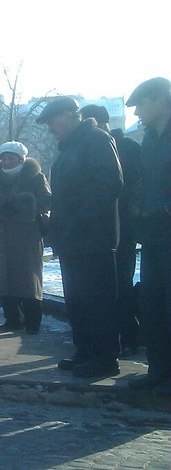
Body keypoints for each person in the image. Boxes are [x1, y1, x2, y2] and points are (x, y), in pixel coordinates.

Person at [36, 96, 123, 378]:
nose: (50, 127)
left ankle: (105, 357)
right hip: (72, 240)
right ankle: (85, 350)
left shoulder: (96, 140)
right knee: (77, 301)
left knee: (98, 301)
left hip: (93, 239)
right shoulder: (69, 148)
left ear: (71, 115)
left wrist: (80, 220)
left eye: (53, 120)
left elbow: (110, 182)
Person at [80, 104, 142, 357]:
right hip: (98, 229)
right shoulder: (86, 148)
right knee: (102, 287)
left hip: (124, 227)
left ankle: (129, 336)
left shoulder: (128, 148)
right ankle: (109, 338)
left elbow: (135, 185)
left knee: (121, 285)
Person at [125, 77, 171, 395]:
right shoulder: (151, 139)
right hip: (153, 237)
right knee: (152, 304)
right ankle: (158, 371)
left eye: (142, 104)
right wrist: (138, 202)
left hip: (165, 229)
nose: (138, 112)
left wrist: (162, 209)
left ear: (160, 101)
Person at [0, 141, 52, 334]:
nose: (6, 161)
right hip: (1, 235)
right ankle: (12, 318)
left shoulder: (36, 177)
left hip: (27, 235)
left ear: (21, 159)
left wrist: (23, 205)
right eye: (3, 158)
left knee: (28, 277)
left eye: (11, 158)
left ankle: (33, 320)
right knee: (4, 277)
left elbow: (46, 201)